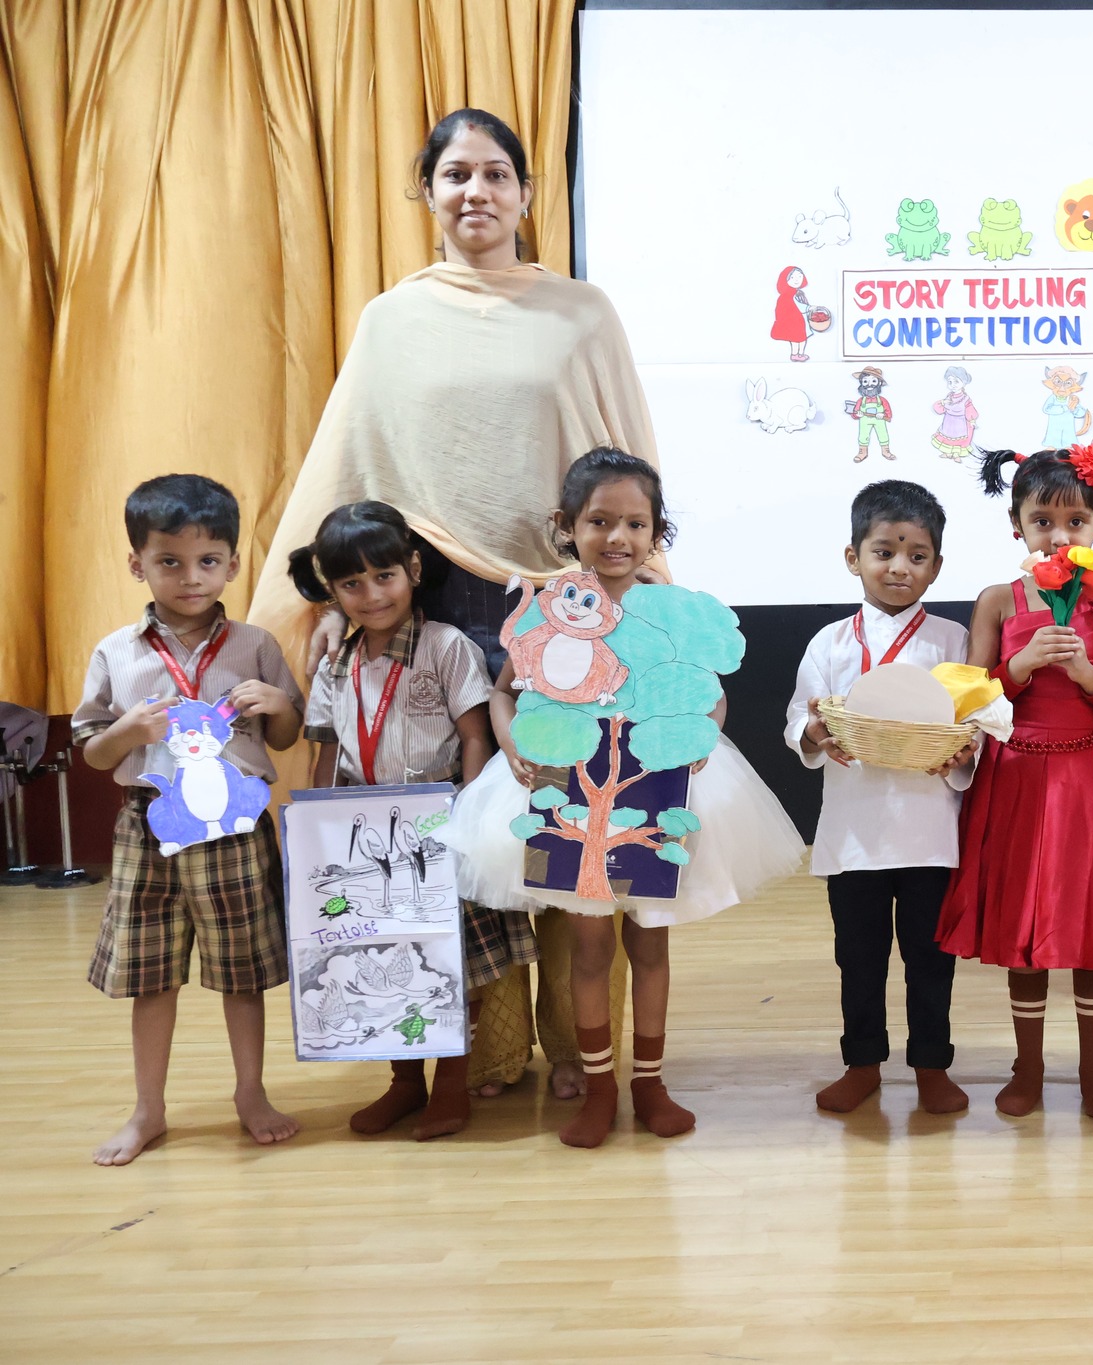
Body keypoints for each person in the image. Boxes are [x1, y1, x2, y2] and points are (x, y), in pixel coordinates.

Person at [248, 108, 658, 1103]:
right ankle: (489, 1051)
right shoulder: (390, 319)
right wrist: (332, 600)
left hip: (559, 608)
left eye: (495, 173)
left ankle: (580, 1051)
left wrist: (634, 584)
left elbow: (620, 454)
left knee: (567, 835)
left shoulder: (582, 313)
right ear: (427, 192)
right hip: (428, 611)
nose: (476, 191)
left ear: (525, 193)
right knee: (463, 844)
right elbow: (356, 463)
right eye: (455, 174)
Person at [446, 449, 801, 1146]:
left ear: (656, 531)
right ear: (567, 525)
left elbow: (710, 695)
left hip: (655, 786)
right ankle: (600, 1087)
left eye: (636, 523)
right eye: (600, 521)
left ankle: (650, 1082)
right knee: (587, 947)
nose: (618, 537)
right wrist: (512, 744)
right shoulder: (548, 610)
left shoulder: (673, 612)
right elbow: (504, 692)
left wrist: (704, 733)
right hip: (569, 787)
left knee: (650, 941)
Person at [937, 444, 1093, 1120]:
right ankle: (1029, 1067)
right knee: (1025, 926)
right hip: (1017, 777)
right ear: (1016, 525)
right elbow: (970, 700)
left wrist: (1088, 678)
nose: (1057, 535)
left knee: (1091, 924)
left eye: (1076, 521)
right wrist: (1017, 670)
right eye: (1042, 521)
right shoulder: (997, 601)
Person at [75, 475, 305, 1165]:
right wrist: (126, 731)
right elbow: (93, 751)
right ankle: (148, 1108)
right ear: (136, 564)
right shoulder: (118, 650)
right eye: (169, 561)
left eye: (208, 560)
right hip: (148, 825)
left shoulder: (256, 644)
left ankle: (250, 1092)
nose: (190, 577)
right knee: (151, 974)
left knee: (241, 971)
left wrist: (279, 705)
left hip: (235, 829)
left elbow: (285, 737)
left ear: (232, 564)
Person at [288, 501, 536, 1140]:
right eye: (351, 583)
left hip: (435, 831)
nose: (371, 595)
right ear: (332, 589)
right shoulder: (336, 663)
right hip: (363, 840)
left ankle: (451, 1085)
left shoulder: (445, 646)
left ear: (414, 570)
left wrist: (468, 817)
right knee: (379, 959)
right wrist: (317, 834)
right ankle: (404, 1083)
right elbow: (325, 750)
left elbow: (475, 735)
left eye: (384, 576)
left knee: (448, 963)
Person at [787, 481, 976, 1116]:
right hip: (854, 831)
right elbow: (799, 716)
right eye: (884, 552)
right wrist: (813, 732)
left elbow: (977, 718)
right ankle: (862, 1063)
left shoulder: (953, 640)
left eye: (917, 556)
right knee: (859, 959)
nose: (900, 567)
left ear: (937, 566)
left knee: (931, 959)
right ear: (854, 557)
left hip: (930, 831)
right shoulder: (829, 643)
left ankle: (932, 1066)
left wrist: (965, 752)